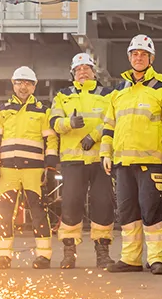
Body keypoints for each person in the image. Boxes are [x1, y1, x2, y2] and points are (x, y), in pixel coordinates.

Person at [101, 35, 162, 274]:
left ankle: (157, 258)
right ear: (129, 57)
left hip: (151, 162)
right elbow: (109, 127)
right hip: (123, 164)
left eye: (143, 54)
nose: (139, 57)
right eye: (135, 54)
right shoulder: (118, 91)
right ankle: (131, 258)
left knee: (152, 211)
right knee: (127, 212)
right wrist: (106, 154)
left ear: (151, 58)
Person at [0, 67, 57, 270]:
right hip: (8, 169)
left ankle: (43, 256)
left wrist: (50, 164)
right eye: (19, 82)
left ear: (34, 86)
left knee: (39, 213)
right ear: (13, 84)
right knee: (4, 213)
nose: (23, 86)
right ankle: (3, 256)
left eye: (27, 83)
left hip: (34, 170)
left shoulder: (44, 111)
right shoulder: (3, 110)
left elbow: (50, 139)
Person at [49, 53, 115, 269]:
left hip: (99, 159)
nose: (83, 72)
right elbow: (54, 122)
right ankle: (69, 253)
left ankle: (102, 252)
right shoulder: (62, 95)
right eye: (78, 69)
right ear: (72, 74)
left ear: (94, 72)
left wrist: (93, 136)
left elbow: (111, 119)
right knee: (70, 204)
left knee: (103, 204)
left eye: (86, 68)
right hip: (73, 160)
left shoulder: (108, 94)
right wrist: (69, 123)